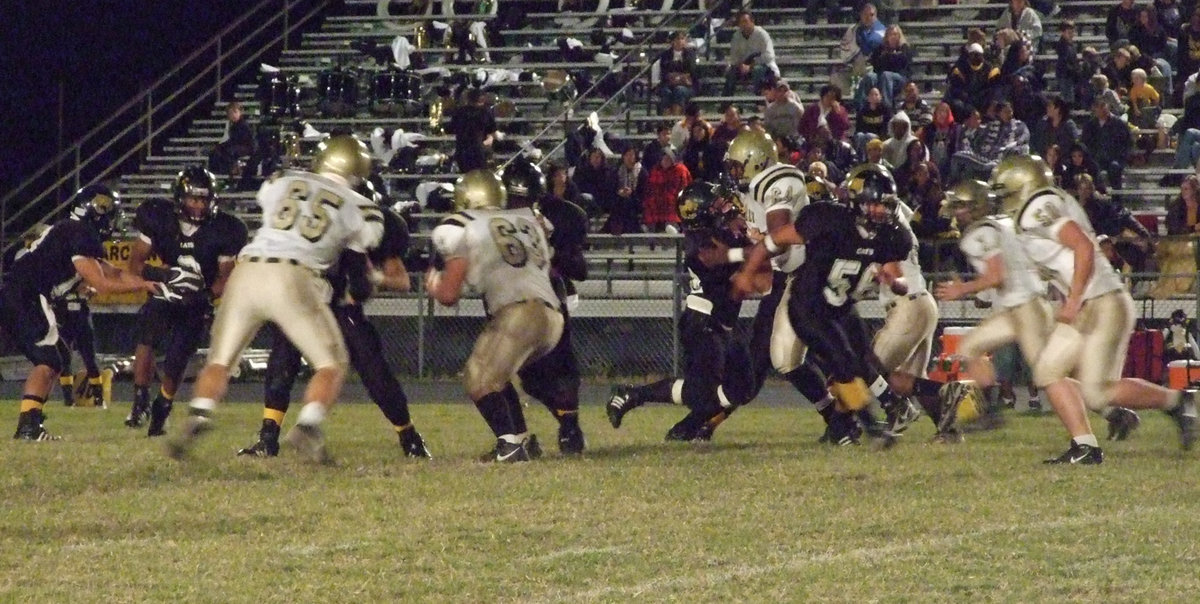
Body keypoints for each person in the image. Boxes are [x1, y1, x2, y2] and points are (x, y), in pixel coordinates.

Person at [166, 135, 385, 463]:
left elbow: (277, 206)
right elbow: (358, 276)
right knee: (332, 363)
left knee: (220, 360)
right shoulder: (361, 207)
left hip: (247, 270)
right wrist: (372, 282)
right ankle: (308, 426)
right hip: (293, 275)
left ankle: (200, 412)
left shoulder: (284, 180)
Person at [990, 155, 1197, 463]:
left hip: (1098, 302)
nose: (1002, 200)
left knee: (1066, 377)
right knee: (1086, 386)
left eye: (1005, 192)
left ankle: (1091, 443)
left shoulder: (1036, 208)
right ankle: (1173, 404)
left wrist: (1073, 300)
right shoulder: (1052, 203)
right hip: (1102, 299)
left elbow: (1083, 247)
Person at [729, 173, 913, 447]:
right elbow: (773, 240)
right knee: (842, 361)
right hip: (808, 305)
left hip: (842, 307)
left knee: (861, 362)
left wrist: (894, 282)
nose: (880, 211)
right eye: (875, 204)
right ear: (857, 202)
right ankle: (872, 427)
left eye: (886, 205)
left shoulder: (889, 235)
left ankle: (842, 428)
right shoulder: (829, 220)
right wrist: (747, 273)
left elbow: (899, 279)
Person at [238, 199, 430, 459]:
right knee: (282, 361)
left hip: (342, 308)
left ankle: (409, 438)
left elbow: (402, 281)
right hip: (305, 302)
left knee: (373, 369)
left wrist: (372, 278)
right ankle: (268, 438)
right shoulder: (307, 217)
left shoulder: (377, 225)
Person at [424, 170, 564, 462]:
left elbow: (449, 295)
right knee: (498, 376)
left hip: (520, 313)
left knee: (477, 378)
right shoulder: (527, 220)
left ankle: (509, 446)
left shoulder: (463, 225)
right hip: (553, 318)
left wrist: (434, 281)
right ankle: (520, 440)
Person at [2, 184, 160, 440]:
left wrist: (151, 281)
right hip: (28, 297)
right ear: (96, 211)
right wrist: (143, 286)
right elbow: (101, 284)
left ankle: (32, 420)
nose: (113, 221)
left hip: (20, 294)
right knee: (49, 361)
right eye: (110, 213)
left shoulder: (71, 230)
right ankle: (28, 427)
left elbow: (113, 273)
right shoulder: (81, 234)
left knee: (59, 356)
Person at [607, 183, 757, 440]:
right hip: (704, 324)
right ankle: (634, 394)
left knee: (741, 387)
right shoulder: (700, 241)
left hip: (722, 324)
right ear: (700, 209)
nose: (723, 207)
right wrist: (753, 243)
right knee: (700, 394)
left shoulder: (717, 235)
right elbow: (737, 261)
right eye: (715, 204)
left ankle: (686, 428)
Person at [122, 166, 249, 437]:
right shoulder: (159, 218)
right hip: (165, 290)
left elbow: (225, 277)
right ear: (180, 198)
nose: (199, 205)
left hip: (197, 298)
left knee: (178, 357)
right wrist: (164, 275)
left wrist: (204, 296)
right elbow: (135, 265)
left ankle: (163, 404)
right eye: (194, 198)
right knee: (147, 337)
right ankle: (140, 399)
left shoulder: (225, 229)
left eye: (204, 199)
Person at [935, 180, 1054, 428]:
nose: (956, 212)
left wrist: (962, 289)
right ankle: (989, 412)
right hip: (1021, 305)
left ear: (976, 206)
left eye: (961, 206)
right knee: (971, 346)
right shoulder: (1003, 224)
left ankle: (1110, 409)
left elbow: (997, 276)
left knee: (1048, 375)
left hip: (1025, 307)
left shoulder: (979, 233)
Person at [501, 156, 590, 454]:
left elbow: (580, 269)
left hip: (549, 298)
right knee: (529, 379)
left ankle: (566, 429)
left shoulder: (559, 217)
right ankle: (565, 425)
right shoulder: (494, 222)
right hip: (512, 302)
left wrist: (548, 248)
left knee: (562, 367)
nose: (517, 206)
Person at [1080, 97, 1132, 191]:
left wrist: (1122, 156)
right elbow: (1085, 144)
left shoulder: (1119, 124)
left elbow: (1127, 143)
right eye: (1098, 107)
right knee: (1091, 167)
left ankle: (1116, 197)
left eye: (1103, 106)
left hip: (1115, 158)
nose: (1102, 109)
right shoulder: (1090, 125)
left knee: (1115, 167)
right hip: (1096, 158)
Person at [723, 10, 779, 95]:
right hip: (743, 65)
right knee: (731, 73)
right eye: (741, 22)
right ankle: (726, 100)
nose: (743, 24)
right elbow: (734, 57)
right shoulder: (736, 36)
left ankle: (758, 98)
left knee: (757, 70)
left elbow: (769, 56)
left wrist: (751, 66)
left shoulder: (762, 34)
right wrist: (741, 65)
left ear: (752, 22)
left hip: (762, 64)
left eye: (745, 21)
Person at [857, 24, 911, 111]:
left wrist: (887, 57)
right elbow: (876, 63)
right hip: (881, 76)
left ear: (899, 36)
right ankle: (862, 108)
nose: (893, 37)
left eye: (895, 34)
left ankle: (886, 108)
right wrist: (892, 57)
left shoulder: (904, 48)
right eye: (890, 34)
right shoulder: (880, 48)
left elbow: (902, 63)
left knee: (886, 75)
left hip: (900, 78)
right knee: (870, 76)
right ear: (887, 36)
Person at [447, 88, 497, 172]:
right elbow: (492, 130)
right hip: (478, 150)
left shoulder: (460, 112)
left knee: (465, 174)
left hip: (462, 149)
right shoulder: (485, 112)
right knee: (479, 173)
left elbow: (450, 129)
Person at [642, 149, 691, 232]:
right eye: (664, 158)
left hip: (674, 201)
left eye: (668, 158)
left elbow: (685, 188)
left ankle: (673, 229)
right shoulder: (655, 170)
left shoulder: (681, 170)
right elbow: (650, 188)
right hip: (657, 202)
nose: (665, 161)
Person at [654, 31, 699, 114]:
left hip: (686, 85)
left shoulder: (690, 54)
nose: (680, 41)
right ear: (672, 41)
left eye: (682, 39)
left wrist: (676, 73)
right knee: (666, 92)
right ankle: (667, 119)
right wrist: (679, 73)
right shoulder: (665, 54)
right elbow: (665, 71)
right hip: (668, 83)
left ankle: (676, 117)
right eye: (677, 39)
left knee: (679, 91)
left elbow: (691, 70)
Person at [604, 146, 646, 235]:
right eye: (627, 155)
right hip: (618, 201)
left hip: (636, 202)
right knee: (622, 203)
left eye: (631, 155)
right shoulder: (616, 171)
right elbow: (610, 190)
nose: (629, 158)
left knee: (627, 203)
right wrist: (619, 192)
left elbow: (644, 193)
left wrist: (632, 193)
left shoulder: (642, 173)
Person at [207, 102, 255, 180]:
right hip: (237, 146)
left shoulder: (244, 124)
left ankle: (233, 171)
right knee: (215, 152)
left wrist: (222, 146)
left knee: (230, 151)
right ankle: (216, 172)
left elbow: (240, 140)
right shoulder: (233, 126)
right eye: (230, 113)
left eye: (235, 112)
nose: (233, 115)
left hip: (246, 147)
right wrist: (219, 146)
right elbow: (232, 140)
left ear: (240, 113)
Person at [762, 79, 804, 144]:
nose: (782, 93)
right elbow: (768, 127)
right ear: (775, 92)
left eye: (785, 91)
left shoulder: (796, 107)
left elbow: (799, 127)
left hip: (792, 140)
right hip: (776, 139)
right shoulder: (770, 109)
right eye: (779, 91)